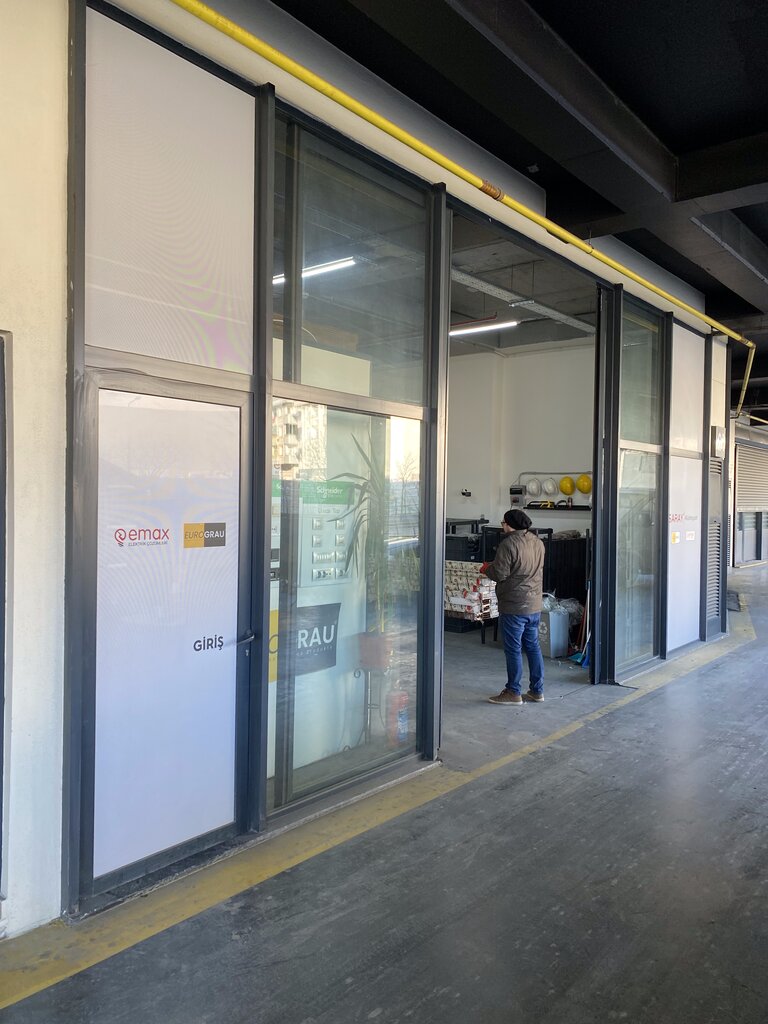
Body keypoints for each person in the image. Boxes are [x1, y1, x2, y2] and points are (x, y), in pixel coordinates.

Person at [481, 509, 545, 705]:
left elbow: (500, 574)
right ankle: (537, 691)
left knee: (513, 649)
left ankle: (513, 692)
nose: (502, 525)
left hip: (514, 605)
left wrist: (486, 568)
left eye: (503, 522)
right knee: (533, 647)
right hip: (534, 604)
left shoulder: (508, 544)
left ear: (509, 525)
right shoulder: (537, 542)